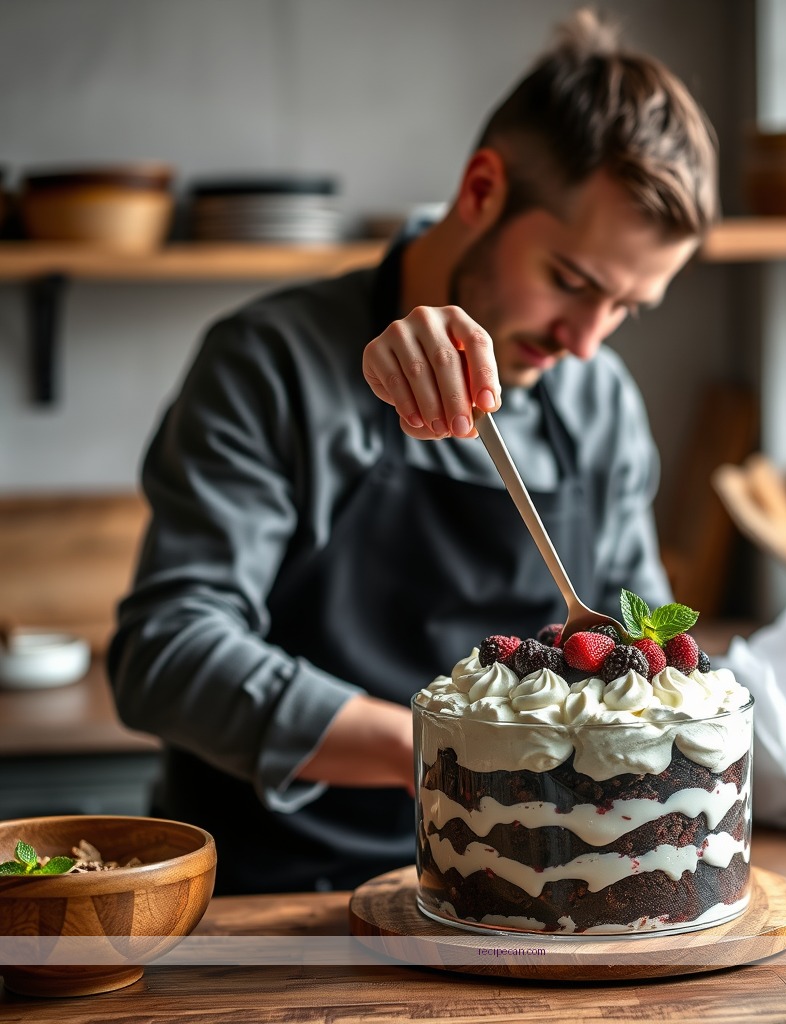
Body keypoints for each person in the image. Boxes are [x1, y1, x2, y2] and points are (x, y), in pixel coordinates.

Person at [107, 7, 718, 895]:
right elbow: (166, 651)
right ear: (481, 191)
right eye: (572, 282)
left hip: (531, 897)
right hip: (281, 893)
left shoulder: (601, 402)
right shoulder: (270, 365)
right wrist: (449, 747)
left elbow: (637, 649)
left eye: (627, 307)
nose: (588, 341)